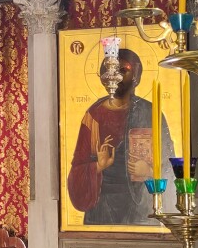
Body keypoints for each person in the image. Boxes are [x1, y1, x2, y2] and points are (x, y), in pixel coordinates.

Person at [67, 48, 174, 226]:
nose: (114, 76)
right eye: (109, 70)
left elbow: (171, 163)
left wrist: (149, 171)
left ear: (136, 76)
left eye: (122, 70)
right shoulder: (94, 115)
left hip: (142, 208)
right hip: (103, 210)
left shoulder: (150, 113)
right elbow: (77, 170)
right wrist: (98, 166)